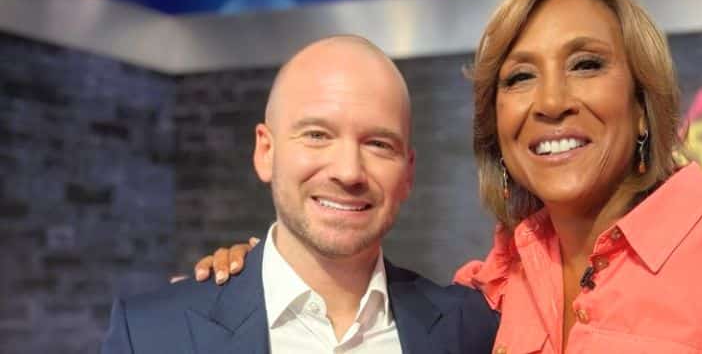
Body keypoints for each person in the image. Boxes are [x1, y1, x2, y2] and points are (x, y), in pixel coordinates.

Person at [197, 0, 702, 353]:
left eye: (585, 64)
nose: (550, 101)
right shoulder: (488, 292)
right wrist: (262, 271)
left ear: (643, 103)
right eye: (519, 77)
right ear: (498, 124)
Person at [101, 36, 498, 354]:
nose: (348, 171)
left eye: (378, 144)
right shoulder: (153, 335)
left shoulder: (471, 330)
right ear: (265, 151)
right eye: (317, 135)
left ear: (408, 172)